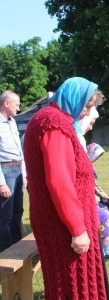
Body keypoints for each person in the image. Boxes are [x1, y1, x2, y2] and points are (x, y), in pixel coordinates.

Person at [23, 77, 109, 299]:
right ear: (73, 98)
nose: (86, 112)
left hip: (66, 221)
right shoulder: (54, 123)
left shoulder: (55, 120)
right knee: (72, 288)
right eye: (87, 105)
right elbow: (59, 181)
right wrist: (77, 229)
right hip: (64, 225)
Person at [0, 90, 27, 252]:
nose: (19, 108)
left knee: (18, 211)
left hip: (17, 170)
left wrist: (23, 174)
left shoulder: (12, 122)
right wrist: (1, 183)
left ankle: (18, 248)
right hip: (5, 170)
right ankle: (6, 252)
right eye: (16, 104)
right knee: (5, 215)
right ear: (6, 103)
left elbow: (19, 150)